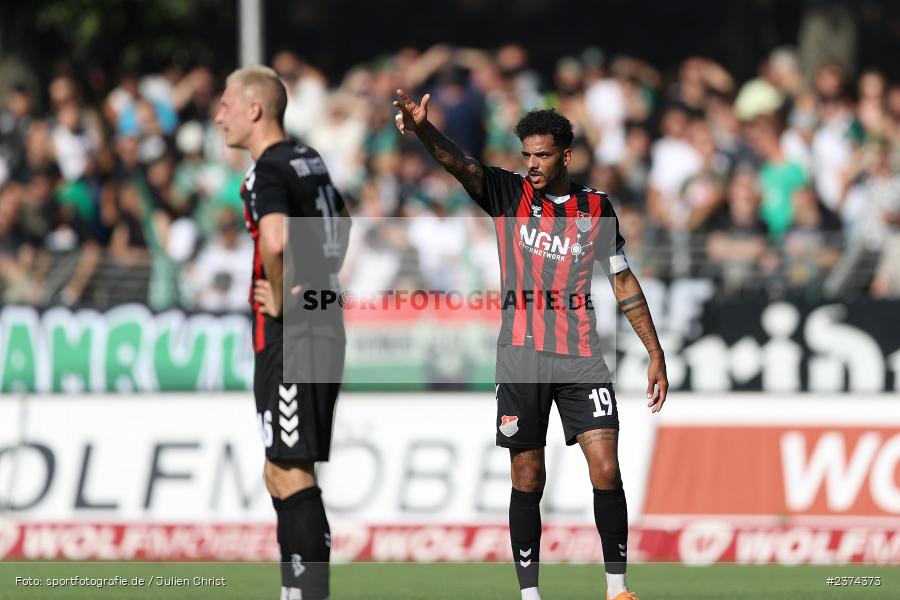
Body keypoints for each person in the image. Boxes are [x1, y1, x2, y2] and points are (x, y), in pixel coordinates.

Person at [394, 89, 668, 600]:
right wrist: (425, 130)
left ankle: (618, 589)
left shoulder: (596, 209)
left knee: (607, 468)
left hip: (581, 357)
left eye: (542, 155)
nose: (533, 165)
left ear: (566, 154)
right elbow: (458, 162)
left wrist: (654, 351)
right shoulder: (507, 194)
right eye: (526, 156)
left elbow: (623, 281)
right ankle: (530, 594)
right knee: (528, 475)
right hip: (520, 355)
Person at [215, 66, 347, 600]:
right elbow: (342, 221)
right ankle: (295, 590)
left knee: (291, 472)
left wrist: (286, 293)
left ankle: (306, 594)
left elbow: (274, 239)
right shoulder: (307, 158)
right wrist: (319, 286)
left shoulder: (265, 171)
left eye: (225, 104)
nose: (218, 115)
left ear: (253, 109)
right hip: (320, 320)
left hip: (294, 332)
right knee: (280, 469)